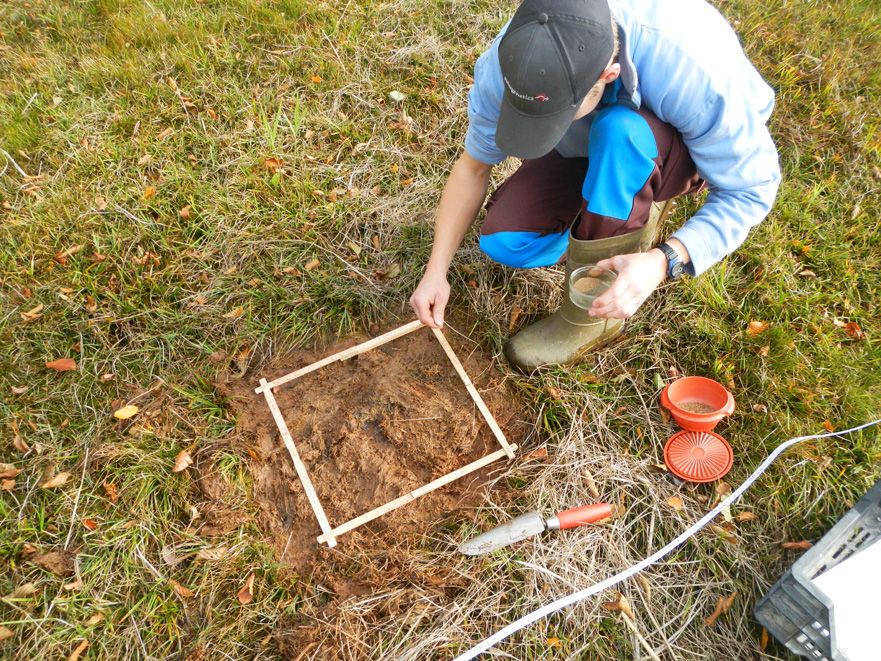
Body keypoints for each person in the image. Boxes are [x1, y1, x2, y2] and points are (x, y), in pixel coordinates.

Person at [409, 0, 781, 371]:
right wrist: (435, 270)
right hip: (592, 134)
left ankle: (590, 319)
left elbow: (750, 190)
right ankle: (615, 206)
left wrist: (663, 260)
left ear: (608, 74)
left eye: (552, 117)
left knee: (619, 132)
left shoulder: (691, 70)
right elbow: (473, 168)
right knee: (506, 241)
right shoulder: (515, 59)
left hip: (676, 144)